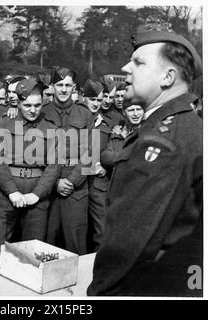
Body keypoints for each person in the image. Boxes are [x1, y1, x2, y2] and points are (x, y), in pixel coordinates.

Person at [87, 26, 203, 296]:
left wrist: (99, 294)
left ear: (167, 76)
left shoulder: (164, 143)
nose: (126, 67)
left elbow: (129, 244)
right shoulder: (184, 126)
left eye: (139, 62)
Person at [0, 78, 60, 265]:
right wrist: (12, 191)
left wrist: (37, 195)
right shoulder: (4, 124)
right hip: (6, 194)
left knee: (33, 252)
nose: (32, 110)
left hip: (37, 193)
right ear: (19, 103)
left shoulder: (51, 128)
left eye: (37, 105)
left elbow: (53, 167)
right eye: (27, 105)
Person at [43, 67, 93, 255]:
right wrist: (54, 182)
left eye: (68, 85)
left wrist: (71, 181)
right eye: (59, 85)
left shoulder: (85, 114)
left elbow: (91, 152)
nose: (63, 89)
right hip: (48, 187)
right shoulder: (42, 112)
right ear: (52, 87)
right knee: (47, 242)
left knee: (76, 243)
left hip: (76, 188)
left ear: (74, 88)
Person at [82, 79, 111, 252]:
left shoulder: (106, 123)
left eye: (99, 100)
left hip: (97, 184)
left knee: (102, 230)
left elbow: (110, 149)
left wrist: (106, 167)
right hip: (76, 184)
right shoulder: (74, 118)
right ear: (83, 98)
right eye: (92, 99)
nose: (96, 103)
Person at [101, 104, 144, 170]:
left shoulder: (148, 132)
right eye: (131, 110)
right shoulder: (116, 133)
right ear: (124, 112)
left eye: (138, 109)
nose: (135, 114)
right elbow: (106, 157)